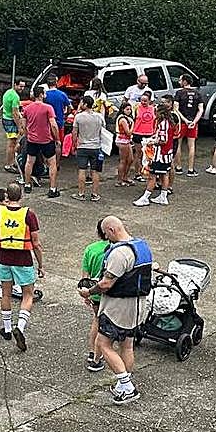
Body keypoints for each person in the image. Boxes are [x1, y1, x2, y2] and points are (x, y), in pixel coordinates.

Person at [82, 216, 153, 405]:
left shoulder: (119, 254)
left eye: (106, 234)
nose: (106, 238)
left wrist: (88, 291)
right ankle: (123, 385)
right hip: (138, 306)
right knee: (127, 345)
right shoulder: (143, 246)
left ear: (112, 230)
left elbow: (106, 283)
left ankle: (127, 385)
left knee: (104, 343)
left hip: (118, 307)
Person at [0, 182, 44, 351]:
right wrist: (40, 265)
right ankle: (21, 327)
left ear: (7, 197)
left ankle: (7, 328)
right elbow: (36, 243)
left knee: (6, 293)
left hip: (3, 257)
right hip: (23, 258)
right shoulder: (28, 214)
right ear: (21, 196)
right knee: (27, 295)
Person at [80, 219, 111, 373]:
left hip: (94, 291)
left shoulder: (90, 249)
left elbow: (85, 275)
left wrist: (86, 293)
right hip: (110, 293)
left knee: (96, 320)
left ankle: (92, 352)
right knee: (103, 325)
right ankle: (99, 355)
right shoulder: (115, 248)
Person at [19, 86, 60, 197]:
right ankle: (52, 188)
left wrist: (28, 135)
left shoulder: (27, 108)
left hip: (32, 140)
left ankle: (27, 184)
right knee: (52, 163)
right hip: (46, 140)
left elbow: (23, 124)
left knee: (29, 161)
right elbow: (53, 125)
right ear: (41, 94)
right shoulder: (48, 108)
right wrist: (57, 139)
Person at [133, 103, 174, 207]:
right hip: (167, 153)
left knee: (152, 176)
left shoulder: (163, 124)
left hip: (160, 154)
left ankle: (145, 197)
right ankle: (163, 196)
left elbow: (163, 140)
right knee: (164, 174)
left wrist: (152, 142)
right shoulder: (169, 122)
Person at [72, 96, 105, 202]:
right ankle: (95, 194)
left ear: (85, 104)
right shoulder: (99, 116)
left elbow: (74, 133)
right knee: (95, 171)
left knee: (82, 170)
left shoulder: (78, 117)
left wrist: (74, 144)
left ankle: (81, 193)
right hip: (96, 147)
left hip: (82, 146)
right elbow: (103, 131)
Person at [173, 74, 203, 177]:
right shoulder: (197, 93)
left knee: (178, 144)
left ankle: (178, 167)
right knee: (192, 146)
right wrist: (194, 121)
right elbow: (200, 110)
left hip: (181, 123)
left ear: (185, 81)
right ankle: (190, 169)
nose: (179, 82)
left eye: (180, 80)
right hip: (193, 123)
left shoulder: (179, 93)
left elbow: (176, 109)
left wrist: (184, 120)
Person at [2, 79, 27, 173]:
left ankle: (12, 162)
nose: (22, 88)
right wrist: (20, 126)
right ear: (15, 85)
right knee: (12, 143)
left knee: (12, 142)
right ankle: (9, 164)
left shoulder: (8, 92)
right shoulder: (15, 97)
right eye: (20, 86)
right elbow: (15, 113)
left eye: (23, 86)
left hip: (5, 118)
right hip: (10, 121)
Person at [44, 76, 71, 157]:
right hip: (59, 122)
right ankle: (57, 163)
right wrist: (66, 114)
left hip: (47, 123)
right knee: (58, 143)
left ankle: (47, 161)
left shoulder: (45, 95)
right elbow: (69, 107)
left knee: (47, 143)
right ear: (56, 83)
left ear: (47, 84)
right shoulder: (62, 94)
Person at [114, 101, 134, 186]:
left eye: (130, 109)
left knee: (130, 159)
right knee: (123, 160)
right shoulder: (122, 119)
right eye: (127, 109)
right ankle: (119, 180)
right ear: (123, 110)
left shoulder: (127, 118)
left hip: (127, 141)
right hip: (122, 141)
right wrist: (133, 124)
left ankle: (125, 177)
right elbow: (128, 132)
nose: (129, 111)